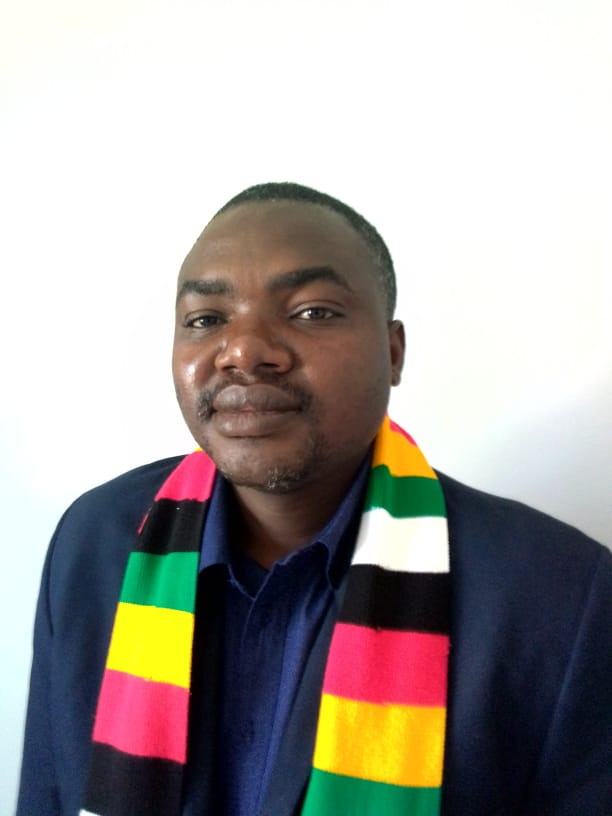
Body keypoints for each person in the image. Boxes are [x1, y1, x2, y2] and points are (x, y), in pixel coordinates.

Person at [17, 182, 612, 816]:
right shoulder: (94, 543)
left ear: (393, 353)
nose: (243, 351)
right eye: (206, 319)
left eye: (312, 312)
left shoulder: (561, 595)